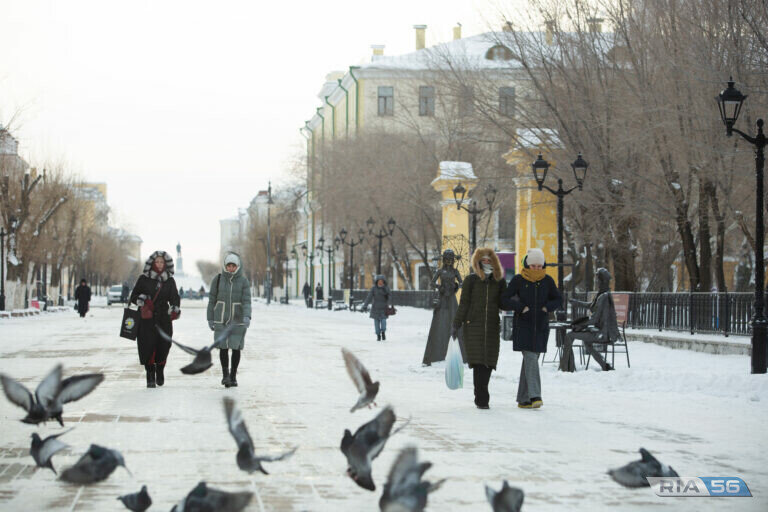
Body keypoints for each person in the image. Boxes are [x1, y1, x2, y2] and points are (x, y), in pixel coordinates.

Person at [501, 247, 562, 409]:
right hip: (523, 326)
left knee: (530, 361)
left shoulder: (547, 281)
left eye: (539, 266)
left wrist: (547, 308)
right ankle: (535, 395)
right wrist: (521, 307)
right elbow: (504, 299)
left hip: (541, 327)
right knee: (530, 358)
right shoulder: (518, 280)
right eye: (533, 266)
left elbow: (558, 299)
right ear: (528, 265)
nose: (536, 269)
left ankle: (523, 399)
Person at [452, 248, 506, 410]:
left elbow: (504, 303)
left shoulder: (499, 281)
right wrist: (456, 323)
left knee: (489, 362)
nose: (486, 262)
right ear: (478, 262)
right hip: (473, 325)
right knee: (478, 362)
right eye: (483, 260)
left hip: (491, 327)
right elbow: (464, 304)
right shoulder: (471, 280)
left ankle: (481, 394)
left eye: (489, 259)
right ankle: (482, 397)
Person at [130, 251, 181, 388]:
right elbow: (133, 296)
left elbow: (174, 298)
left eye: (161, 262)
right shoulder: (143, 279)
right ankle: (150, 373)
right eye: (157, 262)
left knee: (164, 345)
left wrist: (174, 309)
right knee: (147, 346)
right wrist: (143, 300)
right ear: (152, 263)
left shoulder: (169, 280)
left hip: (164, 318)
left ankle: (160, 369)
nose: (159, 264)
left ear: (166, 264)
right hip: (147, 319)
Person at [562, 268, 620, 372]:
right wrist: (577, 303)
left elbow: (594, 319)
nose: (596, 281)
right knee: (586, 343)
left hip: (602, 334)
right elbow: (592, 306)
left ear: (602, 281)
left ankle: (566, 367)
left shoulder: (604, 297)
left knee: (569, 335)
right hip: (601, 331)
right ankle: (605, 365)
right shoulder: (602, 294)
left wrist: (580, 325)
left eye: (598, 279)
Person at [207, 252, 251, 388]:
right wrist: (210, 318)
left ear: (238, 266)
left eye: (233, 266)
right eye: (229, 266)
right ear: (225, 266)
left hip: (237, 320)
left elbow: (247, 301)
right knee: (223, 347)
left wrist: (247, 316)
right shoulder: (218, 279)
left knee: (236, 347)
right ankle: (225, 375)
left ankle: (233, 376)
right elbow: (211, 300)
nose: (231, 268)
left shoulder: (243, 281)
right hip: (220, 318)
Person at [423, 249, 465, 366]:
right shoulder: (440, 271)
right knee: (440, 322)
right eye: (447, 259)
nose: (449, 261)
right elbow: (432, 283)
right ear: (444, 260)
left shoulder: (455, 271)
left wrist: (456, 286)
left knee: (454, 319)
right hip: (442, 298)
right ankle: (437, 353)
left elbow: (461, 283)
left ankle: (460, 352)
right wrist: (439, 287)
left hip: (451, 298)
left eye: (451, 259)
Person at [361, 274, 391, 341]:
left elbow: (390, 296)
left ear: (383, 281)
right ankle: (378, 335)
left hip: (384, 309)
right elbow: (369, 297)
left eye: (381, 281)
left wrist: (388, 300)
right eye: (379, 281)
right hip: (375, 309)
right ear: (377, 281)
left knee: (383, 323)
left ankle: (383, 332)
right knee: (376, 324)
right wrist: (365, 305)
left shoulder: (386, 288)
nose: (380, 282)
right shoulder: (374, 288)